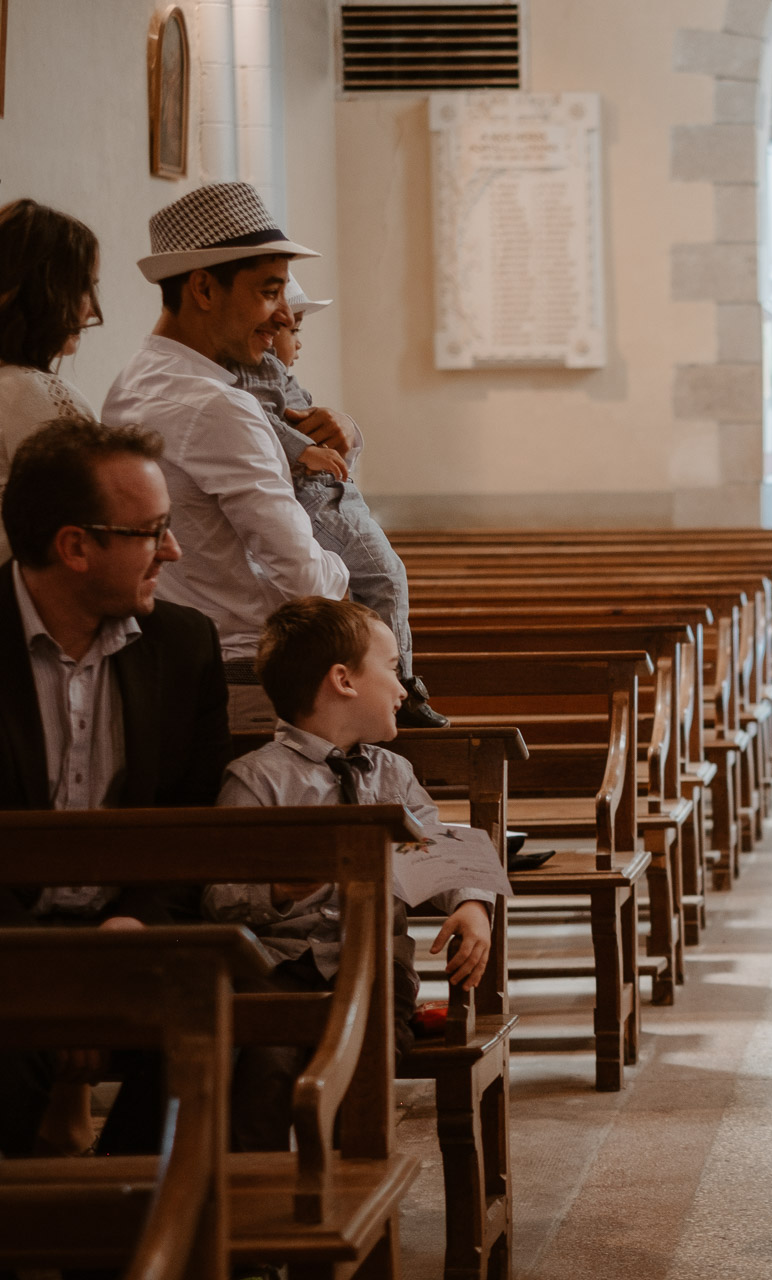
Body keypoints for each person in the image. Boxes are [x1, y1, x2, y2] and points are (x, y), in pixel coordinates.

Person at [0, 417, 231, 1158]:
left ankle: (134, 1237)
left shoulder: (184, 647)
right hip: (6, 943)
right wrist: (56, 971)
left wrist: (134, 926)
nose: (174, 549)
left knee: (235, 1020)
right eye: (152, 530)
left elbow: (196, 827)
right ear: (75, 546)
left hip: (134, 937)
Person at [204, 595, 494, 1151]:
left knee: (363, 1060)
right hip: (278, 966)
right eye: (391, 668)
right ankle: (253, 1212)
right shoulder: (256, 780)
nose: (405, 689)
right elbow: (220, 895)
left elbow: (442, 851)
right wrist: (279, 891)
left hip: (377, 966)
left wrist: (472, 902)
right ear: (343, 680)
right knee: (264, 1067)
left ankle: (353, 1194)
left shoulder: (393, 774)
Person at [100, 181, 353, 734]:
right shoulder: (217, 405)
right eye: (269, 292)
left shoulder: (130, 383)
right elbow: (306, 579)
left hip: (169, 667)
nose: (285, 316)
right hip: (243, 680)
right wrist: (349, 572)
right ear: (204, 290)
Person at [230, 276, 445, 726]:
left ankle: (386, 681)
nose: (298, 339)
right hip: (316, 500)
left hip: (329, 496)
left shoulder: (277, 375)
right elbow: (262, 423)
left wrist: (338, 430)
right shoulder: (255, 374)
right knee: (385, 576)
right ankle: (400, 684)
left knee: (380, 579)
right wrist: (302, 449)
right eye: (292, 329)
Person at [0, 199, 103, 560]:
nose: (92, 309)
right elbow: (95, 535)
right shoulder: (39, 395)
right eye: (84, 287)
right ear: (43, 291)